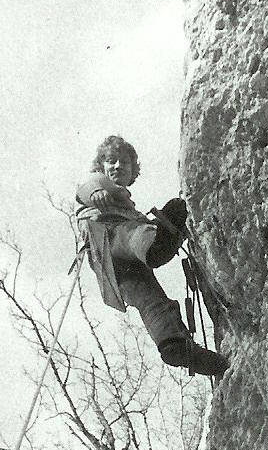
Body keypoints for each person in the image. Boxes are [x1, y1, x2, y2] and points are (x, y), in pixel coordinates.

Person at [75, 135, 229, 378]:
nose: (118, 166)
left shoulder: (128, 206)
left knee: (150, 299)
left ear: (132, 171)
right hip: (108, 237)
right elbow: (86, 186)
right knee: (136, 236)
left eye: (125, 162)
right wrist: (97, 193)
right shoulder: (98, 182)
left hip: (117, 269)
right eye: (111, 161)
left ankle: (173, 344)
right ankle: (156, 246)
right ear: (101, 166)